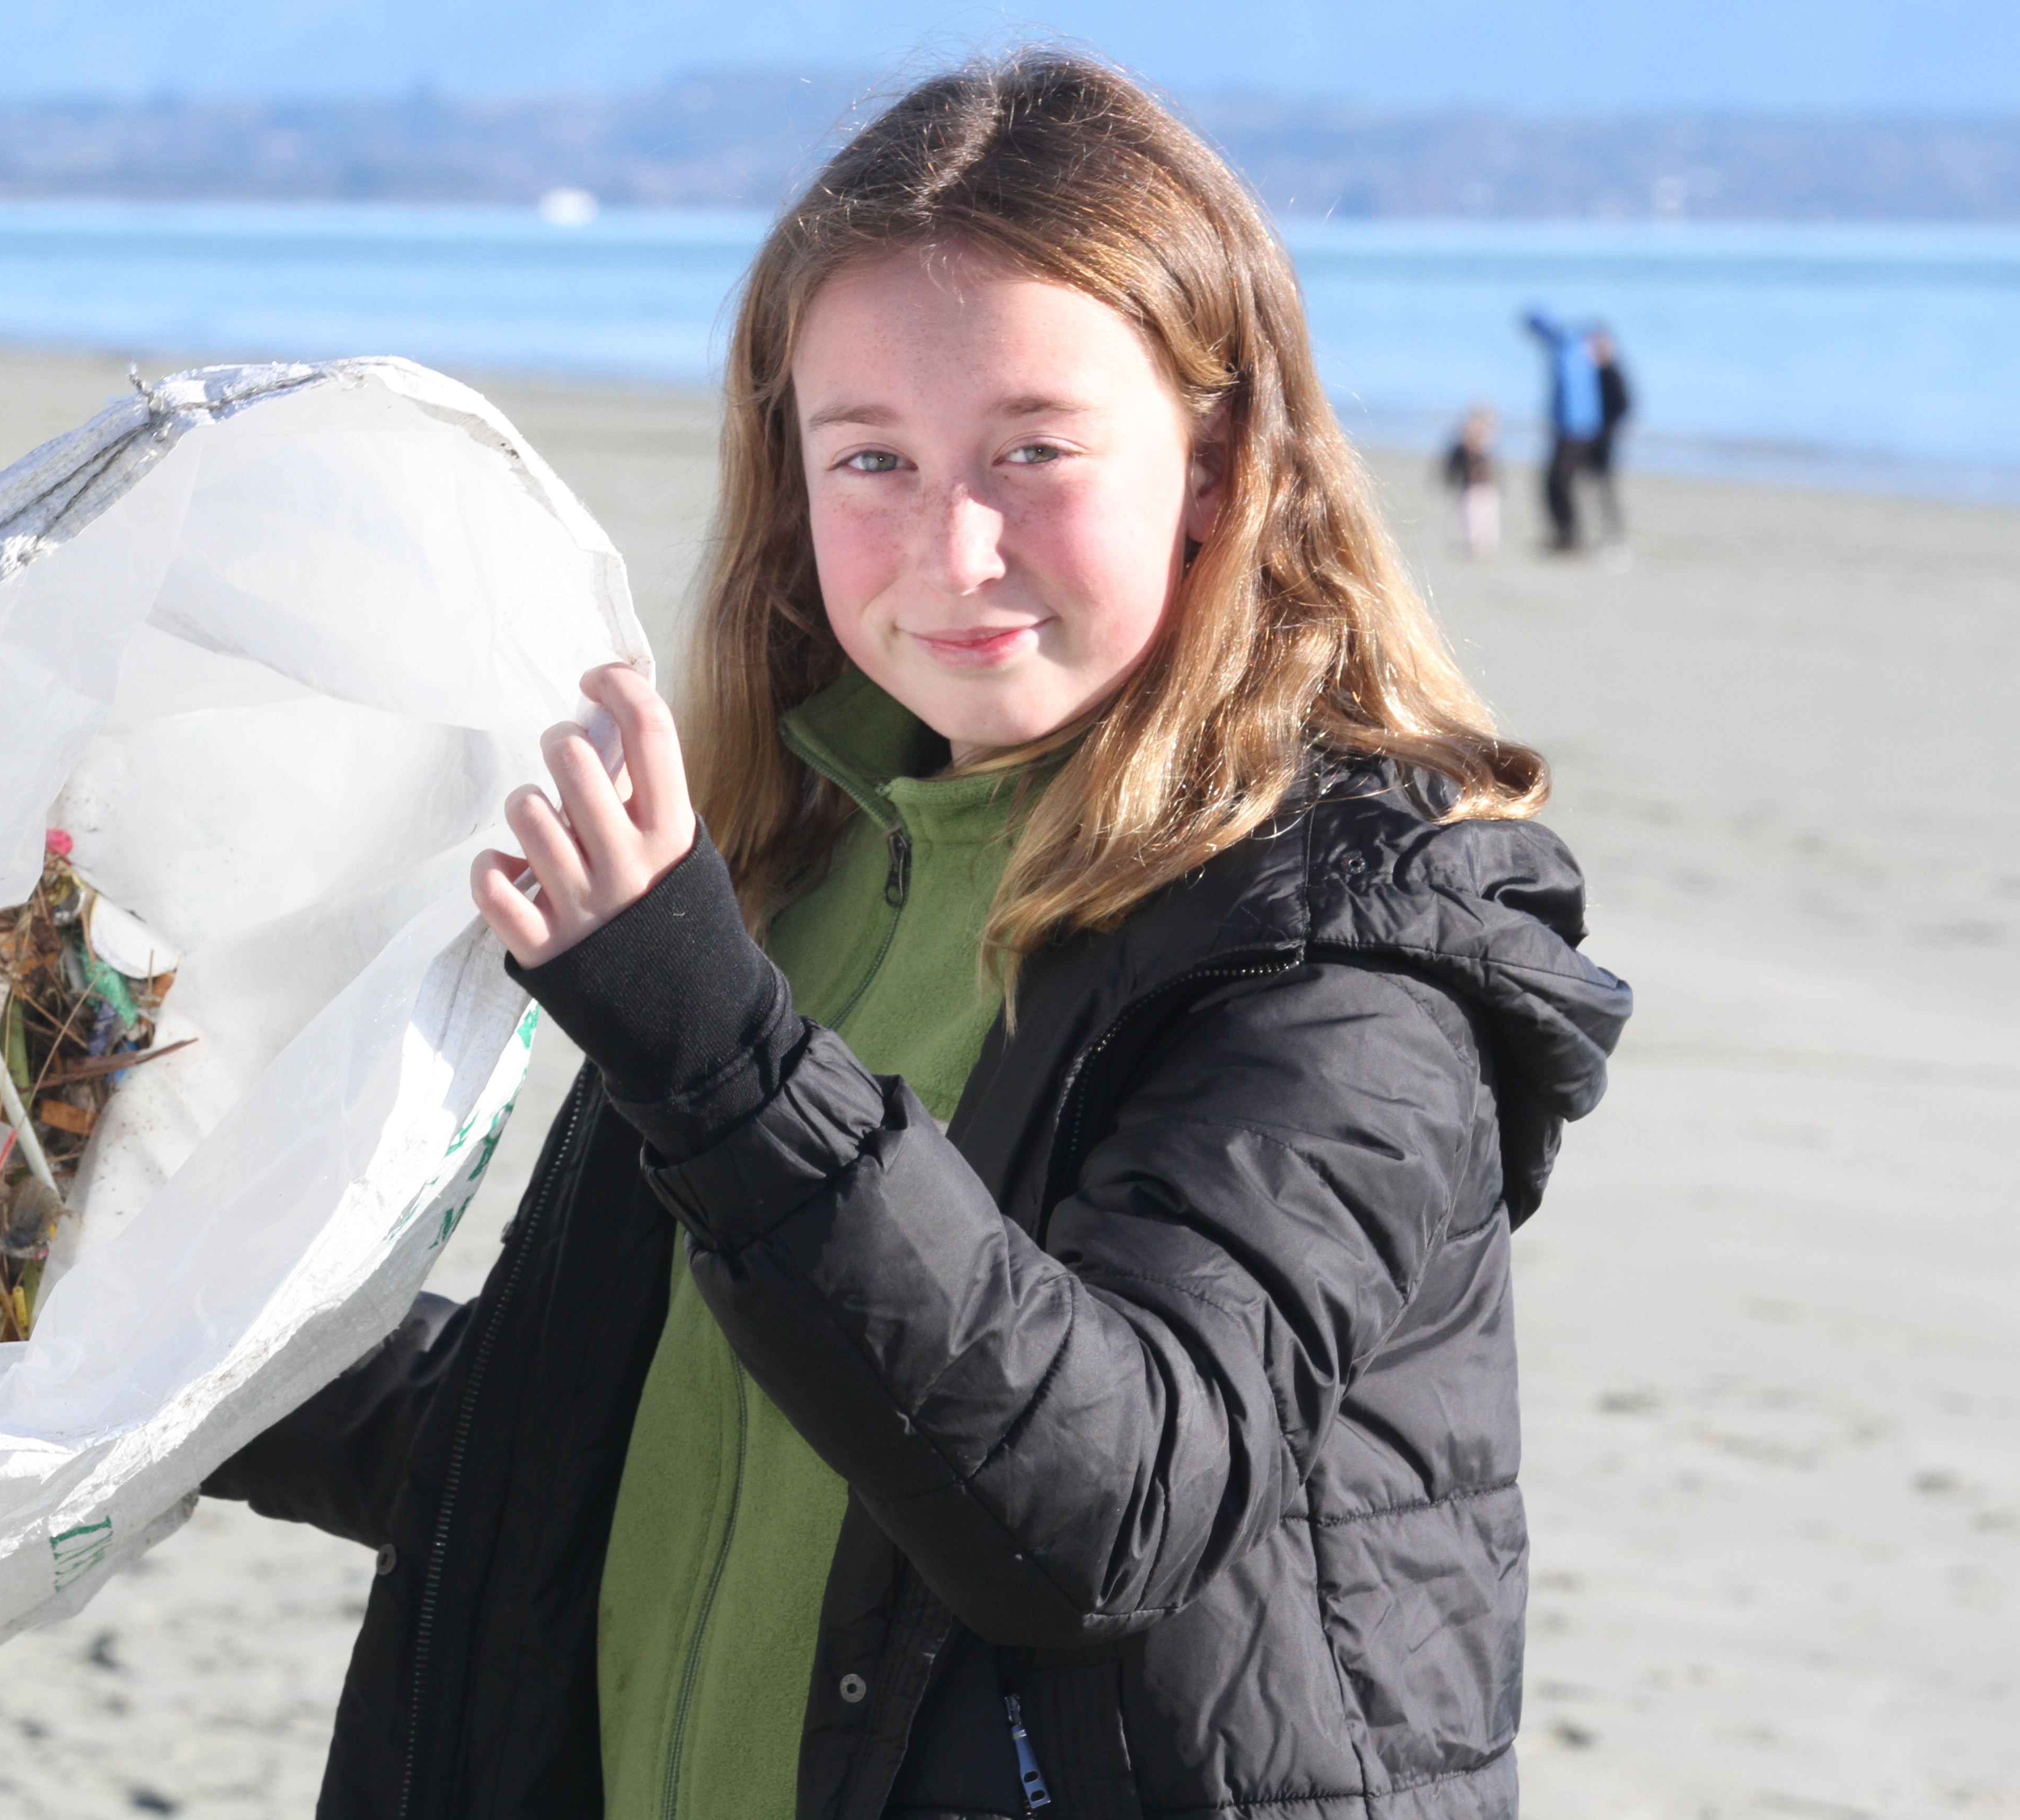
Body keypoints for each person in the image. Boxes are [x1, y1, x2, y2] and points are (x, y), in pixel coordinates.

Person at [204, 52, 1629, 1820]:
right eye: (869, 454)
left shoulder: (1346, 950)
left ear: (1215, 462)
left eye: (1033, 449)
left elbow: (1101, 1510)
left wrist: (713, 1049)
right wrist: (147, 1335)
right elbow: (575, 1445)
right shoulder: (805, 871)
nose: (953, 549)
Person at [1524, 307, 1602, 550]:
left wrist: (1564, 424)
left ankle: (1570, 537)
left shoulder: (1566, 348)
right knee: (1556, 483)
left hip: (1576, 429)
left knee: (1559, 483)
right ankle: (1564, 535)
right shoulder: (1570, 345)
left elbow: (1570, 394)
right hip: (1573, 427)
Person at [1587, 327, 1633, 546]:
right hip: (1588, 440)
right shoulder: (1591, 373)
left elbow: (1624, 406)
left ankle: (1615, 535)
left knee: (1606, 490)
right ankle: (1598, 533)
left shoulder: (1612, 373)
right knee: (1590, 490)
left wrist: (1607, 430)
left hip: (1604, 442)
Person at [1443, 402, 1502, 557]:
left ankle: (1487, 544)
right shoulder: (1462, 448)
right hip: (1469, 487)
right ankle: (1472, 544)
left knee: (1488, 517)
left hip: (1487, 487)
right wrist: (1449, 480)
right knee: (1469, 517)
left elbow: (1497, 468)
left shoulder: (1488, 446)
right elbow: (1452, 467)